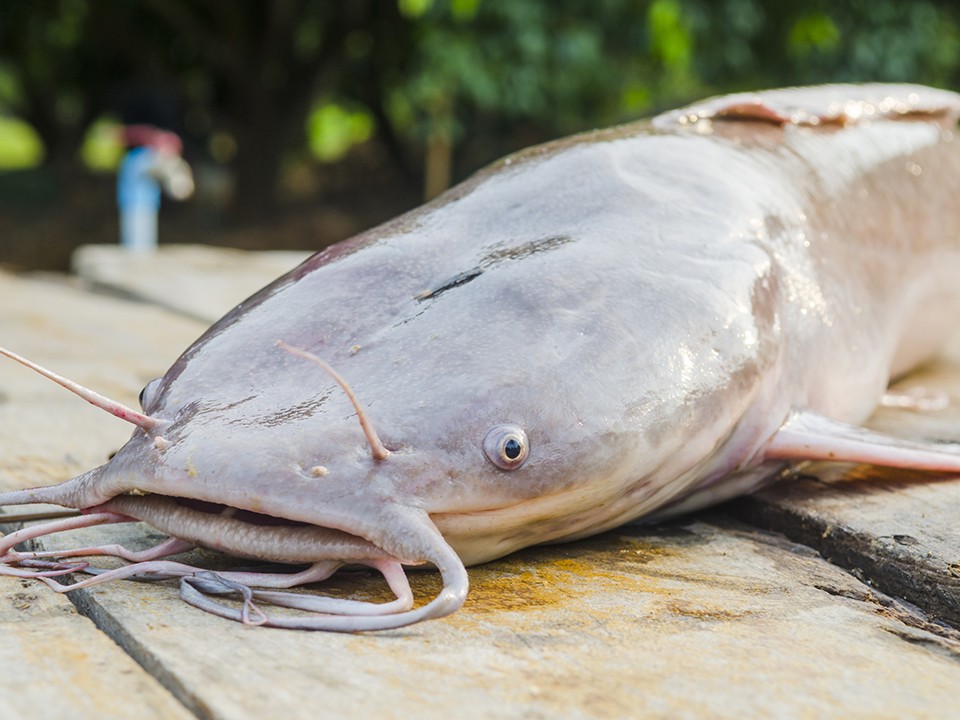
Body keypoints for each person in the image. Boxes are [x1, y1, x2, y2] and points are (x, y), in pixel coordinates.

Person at [117, 125, 194, 253]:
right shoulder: (142, 159)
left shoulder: (141, 158)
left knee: (146, 242)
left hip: (147, 204)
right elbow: (160, 170)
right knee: (136, 243)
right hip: (135, 204)